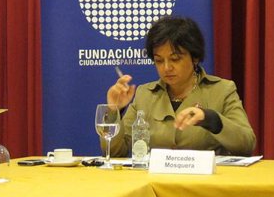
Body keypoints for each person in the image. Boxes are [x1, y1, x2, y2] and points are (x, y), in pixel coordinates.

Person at [103, 15, 256, 157]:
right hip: (157, 178)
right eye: (159, 60)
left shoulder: (222, 90)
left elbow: (247, 144)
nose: (166, 68)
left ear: (195, 58)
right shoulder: (145, 94)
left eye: (175, 59)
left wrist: (212, 119)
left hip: (204, 177)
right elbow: (115, 152)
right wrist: (113, 110)